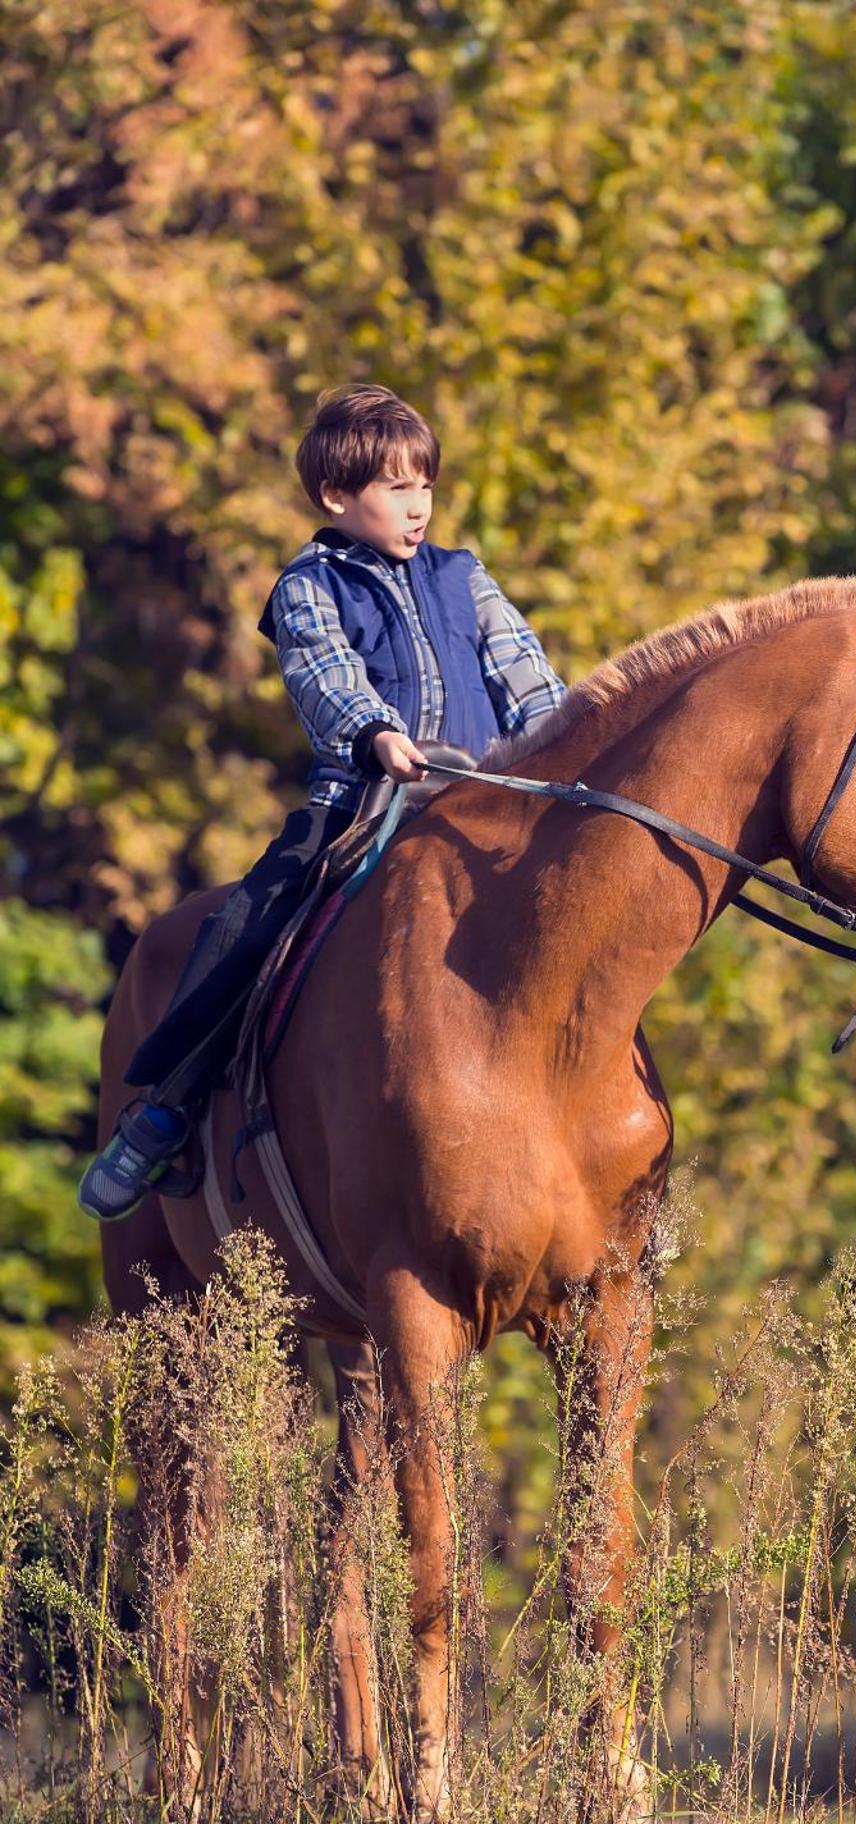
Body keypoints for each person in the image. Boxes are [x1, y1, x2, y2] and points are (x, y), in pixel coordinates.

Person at [79, 383, 566, 1221]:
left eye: (425, 486)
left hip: (484, 801)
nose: (418, 507)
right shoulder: (310, 583)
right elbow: (321, 671)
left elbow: (527, 673)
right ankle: (166, 1109)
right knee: (252, 922)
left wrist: (566, 740)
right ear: (338, 497)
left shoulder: (465, 576)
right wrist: (374, 730)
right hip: (364, 799)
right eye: (396, 489)